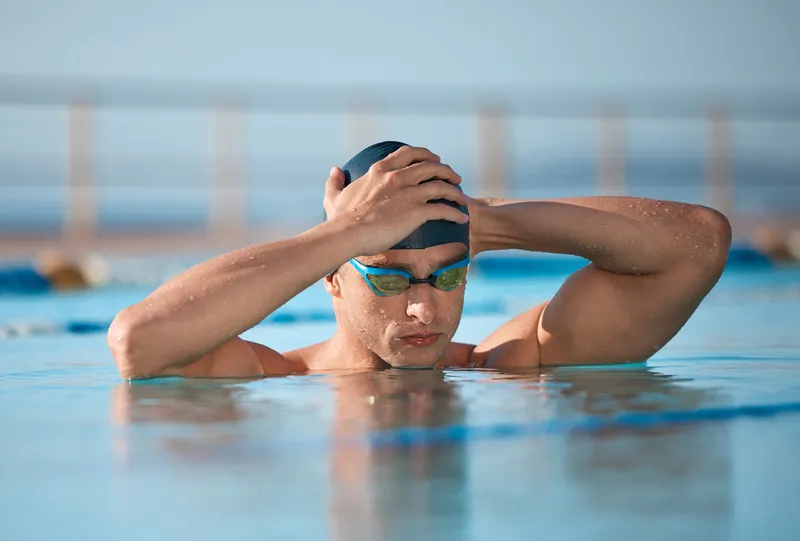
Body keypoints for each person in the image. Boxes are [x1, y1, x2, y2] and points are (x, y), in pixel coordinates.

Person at [108, 142, 732, 380]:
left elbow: (698, 243)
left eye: (449, 274)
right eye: (384, 274)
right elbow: (140, 343)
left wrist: (481, 220)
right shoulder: (272, 377)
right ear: (331, 276)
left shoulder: (506, 366)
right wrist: (344, 232)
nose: (422, 307)